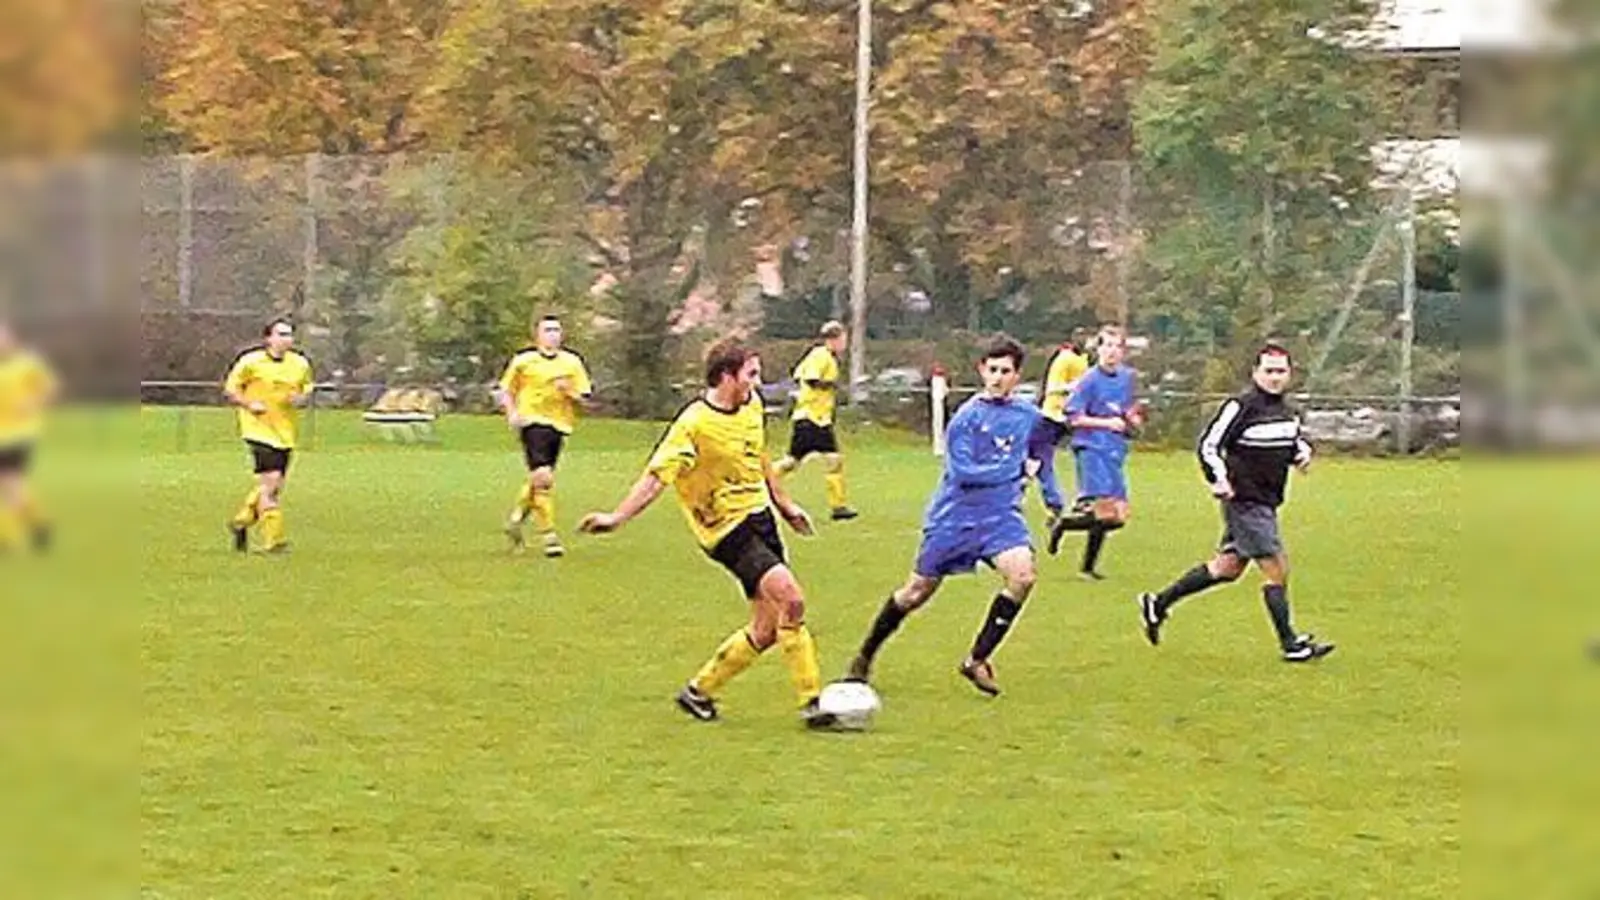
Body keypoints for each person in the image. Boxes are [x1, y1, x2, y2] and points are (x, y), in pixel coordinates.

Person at [579, 337, 837, 728]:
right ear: (726, 376)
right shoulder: (693, 425)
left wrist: (785, 506)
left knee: (766, 629)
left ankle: (698, 691)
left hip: (759, 518)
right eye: (750, 374)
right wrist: (617, 517)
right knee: (792, 599)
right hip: (725, 531)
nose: (758, 381)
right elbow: (655, 478)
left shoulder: (751, 406)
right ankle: (813, 703)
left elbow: (759, 457)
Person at [844, 335, 1041, 697]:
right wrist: (1015, 470)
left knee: (1023, 577)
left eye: (1006, 371)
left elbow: (1046, 442)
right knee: (915, 593)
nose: (997, 377)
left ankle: (977, 659)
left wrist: (1053, 492)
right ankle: (864, 656)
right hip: (955, 518)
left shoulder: (1027, 415)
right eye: (992, 369)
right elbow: (965, 473)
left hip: (1000, 519)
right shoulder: (966, 418)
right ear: (981, 370)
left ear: (1017, 376)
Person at [1137, 343, 1335, 662]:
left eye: (1280, 371)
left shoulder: (1287, 410)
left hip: (1267, 501)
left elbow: (1290, 441)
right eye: (1268, 371)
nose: (1274, 377)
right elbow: (1209, 445)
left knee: (1227, 569)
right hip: (1245, 501)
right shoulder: (1240, 406)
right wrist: (1218, 479)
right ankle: (1291, 645)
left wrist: (1301, 454)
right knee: (1276, 568)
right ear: (1255, 373)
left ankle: (1157, 603)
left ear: (1289, 374)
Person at [1047, 325, 1140, 580]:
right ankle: (1086, 566)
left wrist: (1132, 420)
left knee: (1117, 517)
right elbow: (1074, 418)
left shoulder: (1127, 378)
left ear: (1123, 351)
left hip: (1114, 449)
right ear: (1098, 349)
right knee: (1105, 510)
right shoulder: (1088, 380)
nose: (1111, 351)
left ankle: (1066, 524)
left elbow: (1128, 408)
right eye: (1106, 345)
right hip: (1091, 447)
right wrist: (1106, 423)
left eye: (1116, 346)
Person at [496, 314, 593, 558]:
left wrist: (568, 391)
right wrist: (511, 413)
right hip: (532, 422)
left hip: (559, 426)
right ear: (537, 335)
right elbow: (506, 389)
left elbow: (584, 399)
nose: (552, 334)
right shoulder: (524, 361)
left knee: (538, 479)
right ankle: (549, 537)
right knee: (544, 478)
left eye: (556, 330)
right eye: (547, 330)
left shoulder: (572, 363)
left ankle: (515, 520)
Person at [224, 318, 314, 554]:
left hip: (285, 433)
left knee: (272, 486)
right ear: (269, 338)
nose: (287, 339)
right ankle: (272, 541)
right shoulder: (251, 362)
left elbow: (306, 388)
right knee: (271, 484)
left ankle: (241, 521)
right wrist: (248, 403)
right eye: (282, 334)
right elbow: (231, 389)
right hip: (258, 430)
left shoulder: (300, 364)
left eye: (290, 335)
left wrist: (301, 399)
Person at [773, 320, 858, 521]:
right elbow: (810, 378)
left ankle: (839, 507)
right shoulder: (821, 355)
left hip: (818, 418)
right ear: (833, 339)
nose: (844, 343)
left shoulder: (823, 356)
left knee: (818, 461)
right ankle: (761, 482)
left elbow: (797, 374)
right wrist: (830, 385)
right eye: (842, 339)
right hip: (811, 417)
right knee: (794, 463)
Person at [0, 319, 58, 553]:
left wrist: (32, 403)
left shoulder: (27, 364)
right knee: (12, 486)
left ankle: (11, 537)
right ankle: (38, 525)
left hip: (18, 436)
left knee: (10, 484)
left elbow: (50, 389)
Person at [1025, 333, 1090, 527]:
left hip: (1053, 415)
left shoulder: (1066, 359)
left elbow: (1053, 388)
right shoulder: (1081, 360)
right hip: (1065, 416)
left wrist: (1071, 388)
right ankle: (1060, 501)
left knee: (1035, 457)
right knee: (1036, 458)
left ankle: (1055, 503)